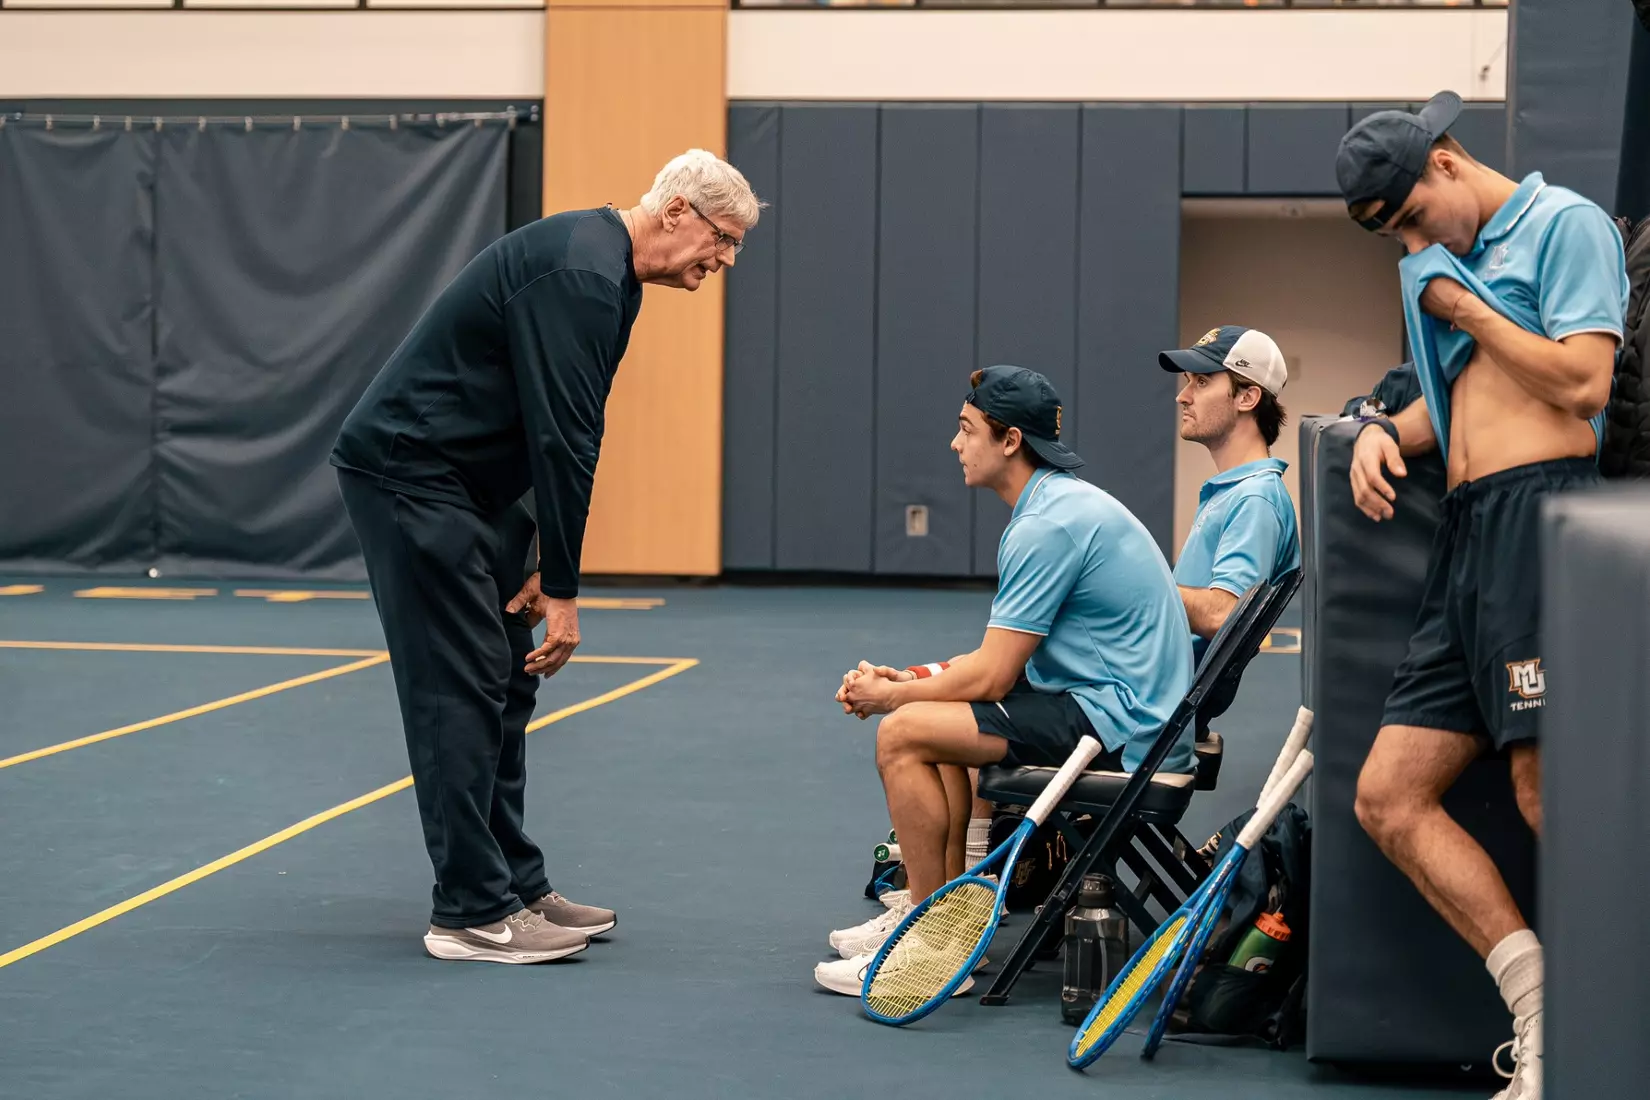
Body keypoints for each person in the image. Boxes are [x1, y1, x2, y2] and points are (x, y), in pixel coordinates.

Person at [330, 150, 763, 965]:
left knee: (506, 682)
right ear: (677, 212)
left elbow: (552, 425)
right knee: (459, 687)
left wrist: (534, 550)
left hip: (477, 490)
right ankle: (468, 912)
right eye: (723, 238)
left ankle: (516, 885)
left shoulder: (612, 277)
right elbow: (565, 438)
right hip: (411, 479)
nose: (726, 259)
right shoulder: (583, 272)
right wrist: (562, 586)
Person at [1334, 91, 1628, 1098]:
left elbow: (1582, 384)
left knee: (1549, 792)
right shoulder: (1443, 261)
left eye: (1415, 216)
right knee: (1388, 796)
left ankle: (1615, 1019)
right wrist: (1381, 428)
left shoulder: (1566, 225)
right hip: (1462, 538)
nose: (1414, 242)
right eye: (1396, 235)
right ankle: (1542, 1009)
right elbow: (1457, 400)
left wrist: (1462, 305)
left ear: (1449, 161)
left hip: (1541, 520)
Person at [813, 365, 1194, 996]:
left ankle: (931, 954)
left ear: (1010, 440)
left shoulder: (1047, 526)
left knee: (902, 734)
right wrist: (911, 676)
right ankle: (938, 925)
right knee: (935, 728)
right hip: (1119, 709)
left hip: (1127, 731)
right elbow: (997, 660)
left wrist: (893, 697)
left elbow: (991, 677)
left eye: (967, 429)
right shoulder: (1058, 506)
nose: (955, 443)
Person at [1159, 325, 1301, 666]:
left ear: (1247, 398)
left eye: (1201, 382)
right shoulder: (1238, 492)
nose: (1183, 396)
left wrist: (1143, 586)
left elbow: (1224, 613)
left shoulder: (1256, 499)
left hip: (1143, 692)